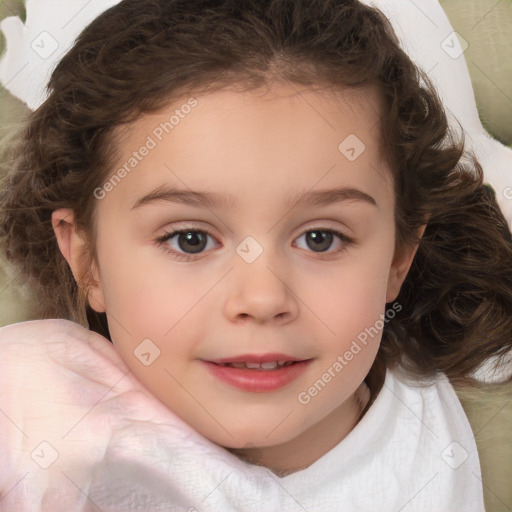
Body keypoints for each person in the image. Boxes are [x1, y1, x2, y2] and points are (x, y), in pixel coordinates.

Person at [1, 0, 511, 510]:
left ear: (398, 258)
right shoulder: (31, 413)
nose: (263, 298)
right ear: (86, 259)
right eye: (190, 240)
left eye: (320, 239)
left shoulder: (450, 445)